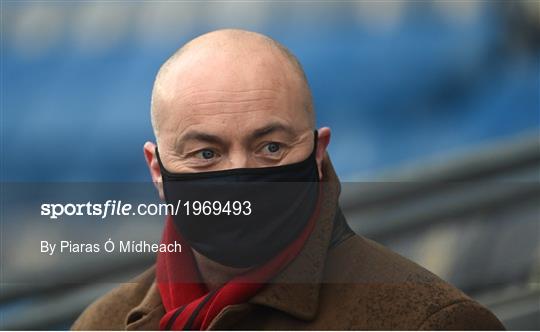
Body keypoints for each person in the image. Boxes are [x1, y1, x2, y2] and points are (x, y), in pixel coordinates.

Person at [72, 29, 505, 330]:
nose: (239, 178)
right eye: (206, 153)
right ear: (157, 170)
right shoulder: (101, 324)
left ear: (317, 153)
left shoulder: (429, 322)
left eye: (271, 147)